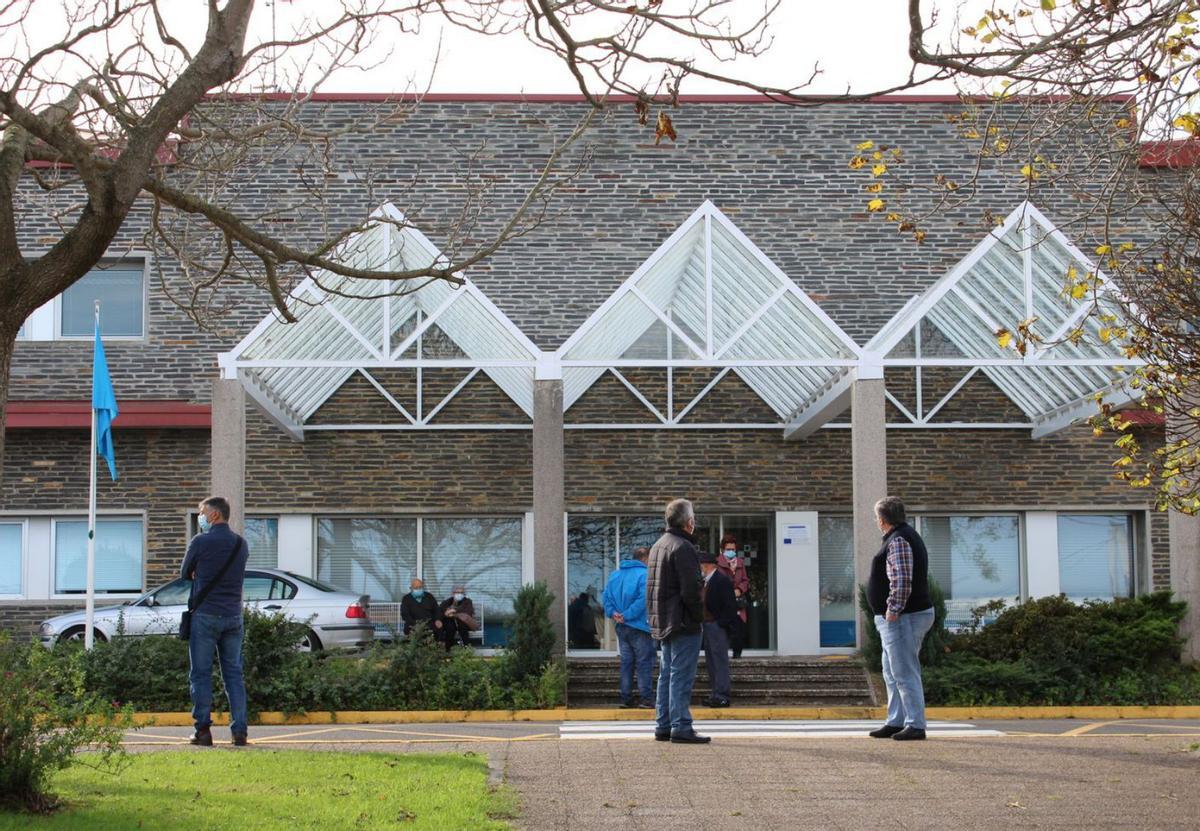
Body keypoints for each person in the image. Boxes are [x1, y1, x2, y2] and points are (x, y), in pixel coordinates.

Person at [181, 496, 250, 747]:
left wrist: (199, 572)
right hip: (233, 616)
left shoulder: (200, 541)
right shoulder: (241, 544)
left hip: (206, 615)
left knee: (200, 674)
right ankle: (239, 731)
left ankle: (202, 731)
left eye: (201, 512)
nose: (200, 517)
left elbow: (184, 573)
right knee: (233, 674)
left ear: (214, 515)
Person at [866, 495, 935, 741]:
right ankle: (896, 720)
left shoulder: (899, 540)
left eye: (877, 517)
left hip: (903, 617)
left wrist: (893, 609)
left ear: (883, 519)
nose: (876, 521)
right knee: (891, 670)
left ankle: (915, 724)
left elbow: (902, 579)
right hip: (901, 617)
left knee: (904, 671)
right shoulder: (902, 536)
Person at [646, 498, 709, 744]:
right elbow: (690, 590)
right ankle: (681, 725)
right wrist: (698, 616)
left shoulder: (658, 545)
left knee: (667, 674)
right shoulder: (683, 548)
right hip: (682, 621)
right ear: (689, 522)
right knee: (681, 674)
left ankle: (664, 724)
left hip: (664, 620)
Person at [602, 546, 654, 708]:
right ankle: (646, 698)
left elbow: (606, 598)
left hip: (621, 626)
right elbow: (643, 600)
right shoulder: (645, 575)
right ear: (645, 559)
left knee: (627, 662)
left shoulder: (615, 575)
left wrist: (614, 614)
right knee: (644, 662)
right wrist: (628, 615)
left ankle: (626, 697)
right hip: (639, 626)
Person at [699, 550, 738, 708]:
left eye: (701, 565)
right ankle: (716, 693)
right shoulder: (707, 581)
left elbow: (729, 605)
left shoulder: (721, 580)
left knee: (719, 661)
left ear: (706, 565)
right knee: (711, 661)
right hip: (708, 625)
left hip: (716, 625)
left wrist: (721, 623)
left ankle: (722, 694)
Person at [715, 534, 750, 658]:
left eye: (733, 549)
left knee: (738, 632)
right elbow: (715, 582)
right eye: (728, 549)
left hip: (738, 603)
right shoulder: (717, 563)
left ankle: (737, 654)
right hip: (724, 603)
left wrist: (740, 589)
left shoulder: (740, 562)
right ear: (723, 550)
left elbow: (746, 580)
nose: (730, 552)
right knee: (723, 631)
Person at [437, 584, 477, 651]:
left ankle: (466, 648)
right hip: (450, 622)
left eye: (462, 593)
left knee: (462, 626)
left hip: (463, 622)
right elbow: (441, 612)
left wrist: (454, 611)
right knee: (450, 627)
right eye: (458, 592)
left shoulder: (467, 601)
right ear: (453, 593)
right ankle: (448, 649)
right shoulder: (447, 602)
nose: (460, 594)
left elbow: (468, 612)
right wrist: (446, 614)